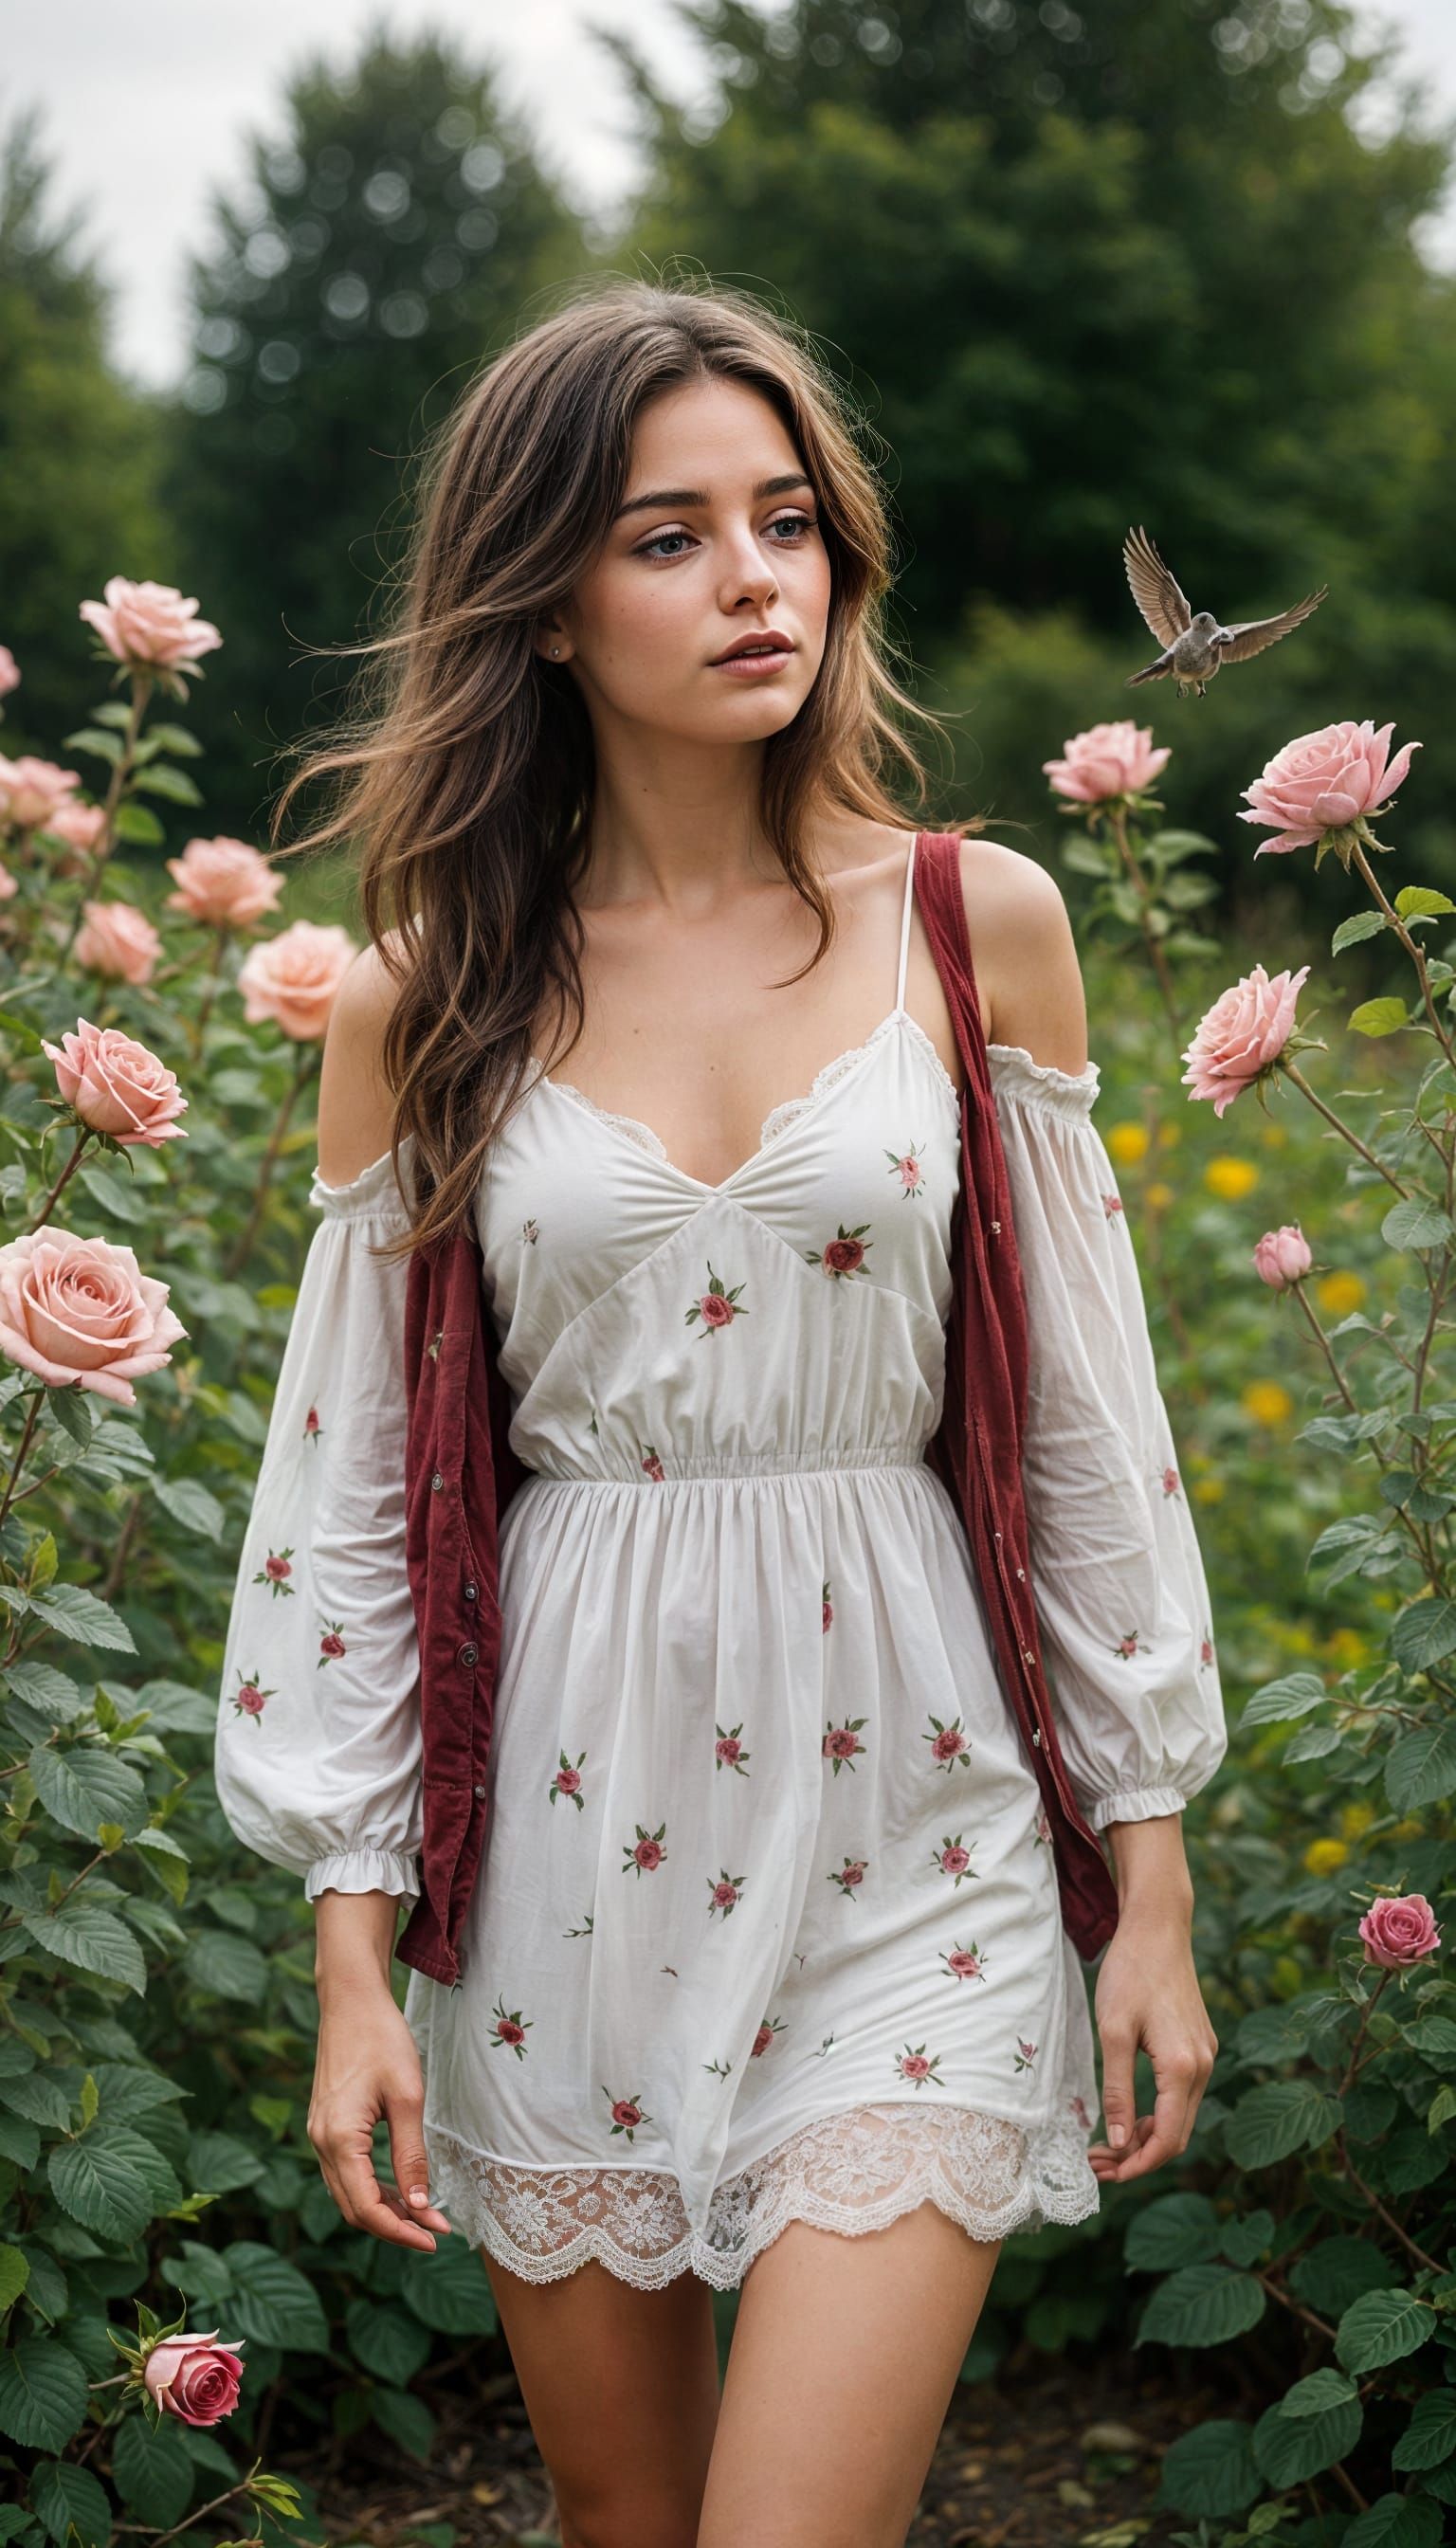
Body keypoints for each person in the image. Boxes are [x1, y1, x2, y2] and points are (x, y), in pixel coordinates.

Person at [214, 278, 1226, 2547]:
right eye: (668, 535)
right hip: (568, 1829)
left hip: (926, 1822)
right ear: (545, 602)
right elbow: (351, 1498)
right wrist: (350, 1960)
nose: (754, 576)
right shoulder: (431, 997)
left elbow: (1088, 1426)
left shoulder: (978, 926)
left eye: (786, 521)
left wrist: (1144, 1876)